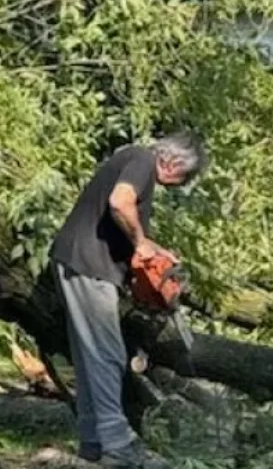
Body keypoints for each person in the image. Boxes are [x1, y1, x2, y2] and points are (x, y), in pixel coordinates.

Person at [48, 132, 207, 468]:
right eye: (181, 179)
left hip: (80, 263)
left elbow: (127, 222)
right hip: (89, 266)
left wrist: (152, 248)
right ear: (174, 163)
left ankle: (93, 443)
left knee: (91, 355)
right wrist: (140, 242)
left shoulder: (134, 160)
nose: (176, 186)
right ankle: (118, 447)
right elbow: (120, 202)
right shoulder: (142, 159)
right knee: (108, 356)